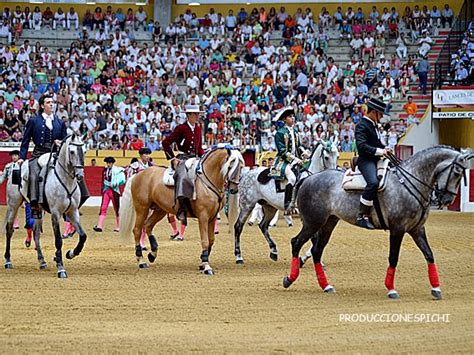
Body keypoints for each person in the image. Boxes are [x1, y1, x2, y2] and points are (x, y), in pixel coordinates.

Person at [18, 95, 67, 218]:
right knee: (33, 174)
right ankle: (35, 204)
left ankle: (74, 202)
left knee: (70, 172)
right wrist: (21, 157)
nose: (52, 104)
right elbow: (25, 140)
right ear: (42, 106)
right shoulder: (34, 121)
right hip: (38, 153)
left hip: (55, 154)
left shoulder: (60, 122)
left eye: (52, 102)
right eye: (48, 102)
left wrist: (60, 142)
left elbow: (65, 140)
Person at [162, 105, 205, 223]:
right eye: (196, 114)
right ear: (189, 115)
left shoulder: (198, 128)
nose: (197, 117)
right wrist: (172, 159)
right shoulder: (181, 128)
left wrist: (205, 156)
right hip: (182, 158)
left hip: (194, 158)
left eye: (198, 115)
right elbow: (166, 142)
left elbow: (199, 148)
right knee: (182, 176)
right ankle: (182, 208)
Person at [355, 97, 391, 230]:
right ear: (374, 112)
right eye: (380, 114)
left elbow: (377, 143)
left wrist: (385, 149)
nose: (381, 117)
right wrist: (380, 151)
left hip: (377, 159)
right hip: (366, 160)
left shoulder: (373, 125)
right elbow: (362, 146)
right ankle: (361, 215)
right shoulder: (361, 125)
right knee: (373, 183)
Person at [270, 107, 307, 213]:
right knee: (292, 178)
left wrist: (303, 152)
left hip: (295, 160)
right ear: (285, 119)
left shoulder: (295, 131)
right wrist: (295, 159)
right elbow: (282, 151)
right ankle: (287, 204)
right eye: (290, 117)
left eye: (293, 117)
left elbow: (298, 146)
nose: (293, 118)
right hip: (283, 161)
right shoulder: (280, 133)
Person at [93, 157, 126, 233]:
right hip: (106, 190)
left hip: (114, 190)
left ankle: (118, 226)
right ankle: (100, 226)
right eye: (107, 163)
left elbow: (122, 180)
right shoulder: (105, 170)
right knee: (103, 207)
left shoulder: (117, 170)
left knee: (117, 208)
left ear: (112, 163)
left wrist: (115, 184)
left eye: (110, 163)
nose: (108, 164)